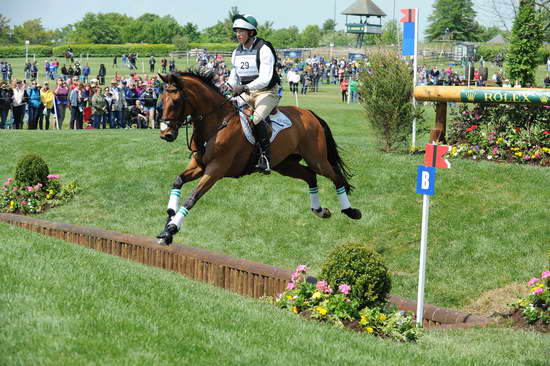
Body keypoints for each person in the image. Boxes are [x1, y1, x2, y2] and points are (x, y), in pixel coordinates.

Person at [227, 14, 281, 174]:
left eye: (241, 31)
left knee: (256, 119)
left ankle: (265, 157)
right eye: (236, 31)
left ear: (251, 32)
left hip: (266, 92)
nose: (238, 34)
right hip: (247, 91)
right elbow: (234, 75)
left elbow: (265, 79)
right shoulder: (237, 52)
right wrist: (229, 86)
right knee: (227, 112)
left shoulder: (264, 48)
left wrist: (244, 88)